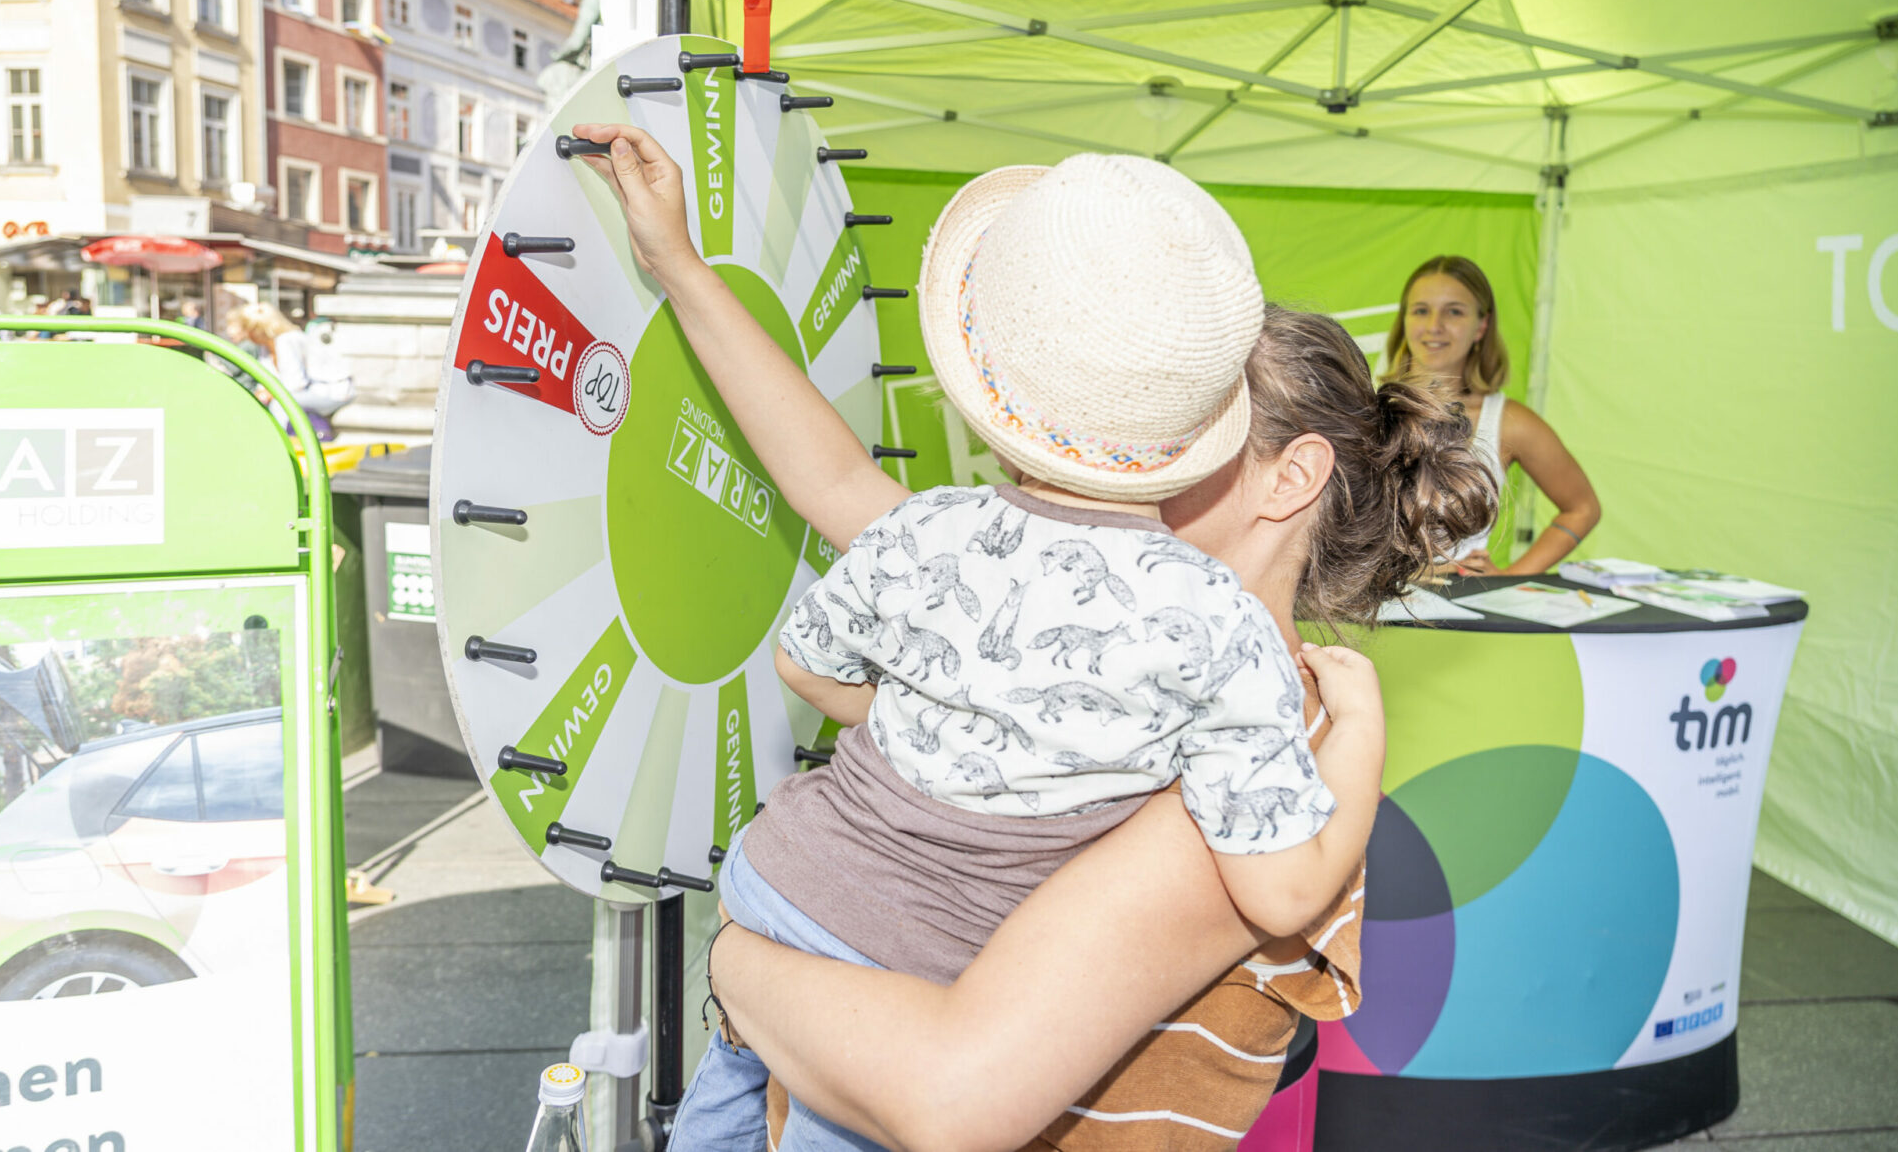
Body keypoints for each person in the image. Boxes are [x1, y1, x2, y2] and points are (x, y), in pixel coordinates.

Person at [571, 123, 1497, 1151]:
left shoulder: (1264, 734)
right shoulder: (1064, 593)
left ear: (1290, 476)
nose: (1117, 439)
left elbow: (951, 1097)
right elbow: (834, 479)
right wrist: (679, 266)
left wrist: (736, 967)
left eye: (1181, 420)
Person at [1379, 255, 1601, 575]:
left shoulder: (1509, 422)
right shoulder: (1363, 406)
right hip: (1368, 611)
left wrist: (1510, 579)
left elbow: (1583, 508)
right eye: (1421, 310)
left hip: (1459, 613)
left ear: (1481, 325)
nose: (1434, 326)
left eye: (1454, 311)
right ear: (1404, 320)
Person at [224, 301, 356, 433]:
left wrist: (269, 394)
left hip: (331, 391)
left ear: (256, 330)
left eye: (247, 330)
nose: (246, 336)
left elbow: (295, 384)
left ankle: (282, 445)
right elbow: (267, 379)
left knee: (279, 405)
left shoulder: (287, 340)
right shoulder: (265, 348)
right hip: (307, 391)